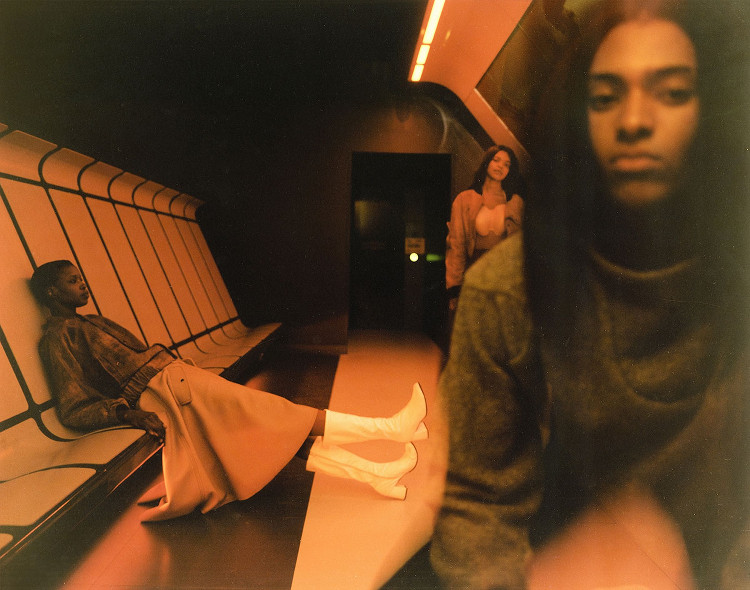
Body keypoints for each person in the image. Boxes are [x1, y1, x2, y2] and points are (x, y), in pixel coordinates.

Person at [431, 1, 748, 589]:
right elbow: (479, 504)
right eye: (605, 97)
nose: (634, 120)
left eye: (672, 93)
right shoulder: (505, 292)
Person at [30, 260, 429, 522]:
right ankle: (389, 429)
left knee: (275, 431)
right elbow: (73, 407)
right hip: (170, 394)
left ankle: (377, 474)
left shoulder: (88, 322)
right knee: (281, 417)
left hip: (178, 383)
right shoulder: (58, 338)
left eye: (81, 277)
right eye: (72, 281)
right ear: (51, 293)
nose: (82, 284)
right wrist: (128, 413)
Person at [445, 145, 525, 315]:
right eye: (496, 160)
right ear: (487, 162)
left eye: (506, 164)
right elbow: (456, 245)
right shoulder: (465, 199)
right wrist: (454, 286)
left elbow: (521, 248)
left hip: (504, 273)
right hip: (475, 269)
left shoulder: (515, 203)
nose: (500, 166)